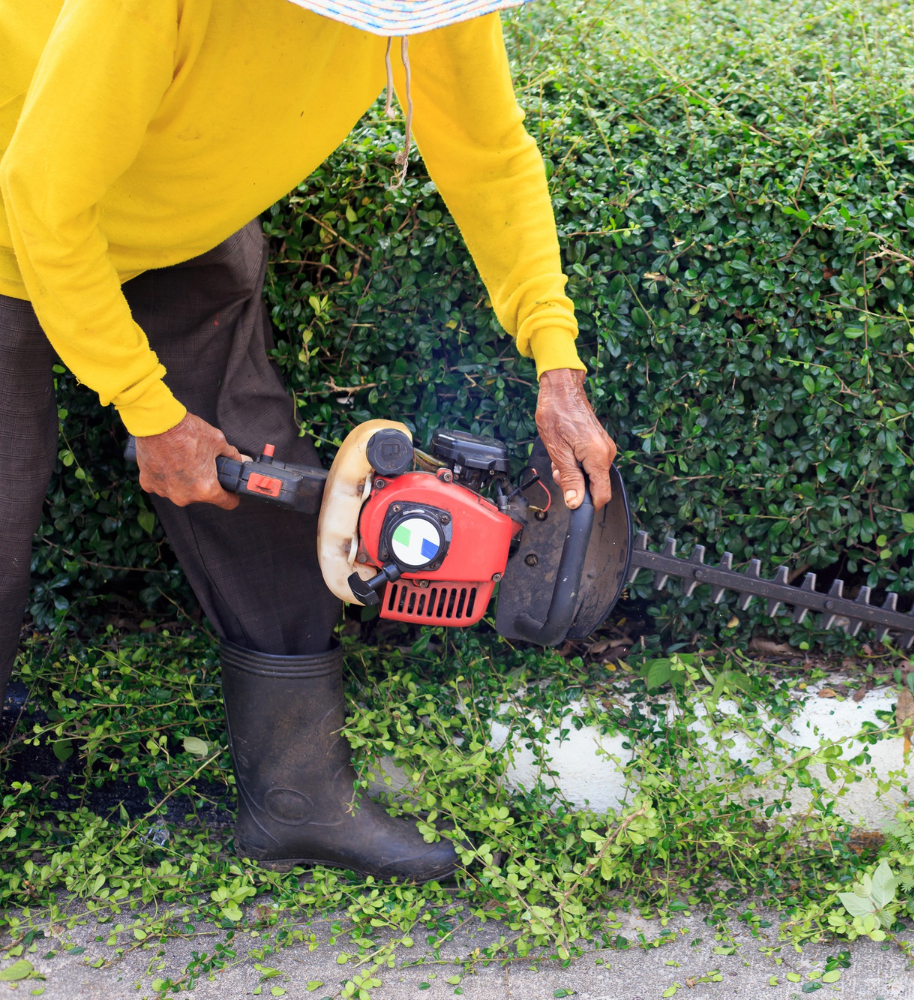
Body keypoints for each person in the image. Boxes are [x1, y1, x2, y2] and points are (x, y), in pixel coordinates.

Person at [0, 0, 618, 881]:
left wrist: (557, 364)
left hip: (181, 218)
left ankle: (297, 800)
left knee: (258, 473)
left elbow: (489, 157)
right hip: (15, 198)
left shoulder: (426, 11)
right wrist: (148, 410)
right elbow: (42, 198)